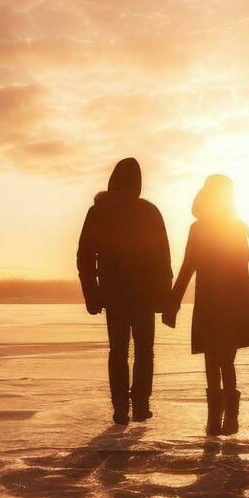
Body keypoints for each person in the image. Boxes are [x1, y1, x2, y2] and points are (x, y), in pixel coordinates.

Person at [164, 174, 249, 435]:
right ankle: (224, 418)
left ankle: (218, 419)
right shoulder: (233, 226)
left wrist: (174, 301)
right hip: (231, 301)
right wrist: (173, 302)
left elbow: (188, 266)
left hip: (213, 301)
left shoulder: (203, 228)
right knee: (225, 359)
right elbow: (236, 267)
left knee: (214, 359)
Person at [77, 158, 171, 424]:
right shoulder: (148, 211)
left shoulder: (99, 211)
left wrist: (91, 292)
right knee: (143, 351)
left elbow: (84, 256)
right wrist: (164, 295)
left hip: (115, 294)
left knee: (119, 351)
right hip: (141, 294)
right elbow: (163, 258)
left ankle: (121, 408)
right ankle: (140, 405)